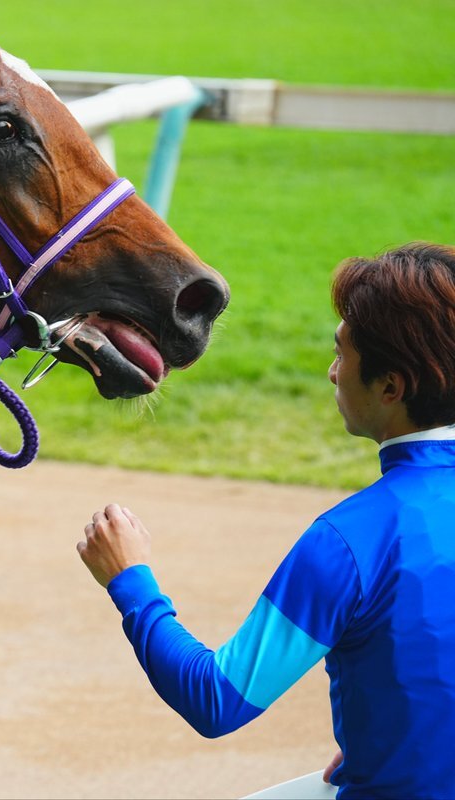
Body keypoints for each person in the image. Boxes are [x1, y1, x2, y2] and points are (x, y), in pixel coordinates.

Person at [77, 242, 455, 798]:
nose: (332, 373)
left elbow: (217, 699)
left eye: (342, 354)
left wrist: (129, 580)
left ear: (391, 387)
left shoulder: (349, 540)